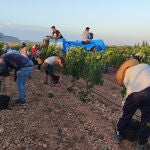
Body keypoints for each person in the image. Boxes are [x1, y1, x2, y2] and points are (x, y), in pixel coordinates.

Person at [114, 57, 150, 150]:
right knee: (147, 120)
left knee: (126, 114)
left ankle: (118, 134)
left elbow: (129, 92)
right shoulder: (145, 66)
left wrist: (125, 104)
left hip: (137, 94)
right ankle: (141, 144)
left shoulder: (128, 74)